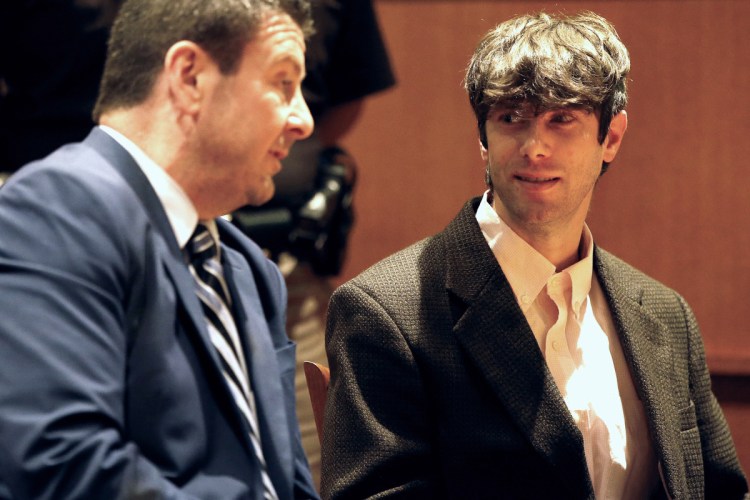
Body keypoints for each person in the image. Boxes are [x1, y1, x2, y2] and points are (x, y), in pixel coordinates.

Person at [321, 11, 749, 500]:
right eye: (511, 119)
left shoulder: (668, 315)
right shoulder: (384, 312)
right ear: (484, 140)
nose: (535, 147)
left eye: (561, 119)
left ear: (610, 138)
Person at [0, 0, 320, 498]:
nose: (304, 121)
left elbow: (285, 482)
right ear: (189, 77)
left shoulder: (247, 268)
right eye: (283, 83)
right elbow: (64, 463)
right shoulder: (57, 209)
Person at [231, 0, 395, 489]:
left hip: (289, 273)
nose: (300, 120)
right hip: (123, 261)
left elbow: (345, 95)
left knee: (308, 468)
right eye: (280, 87)